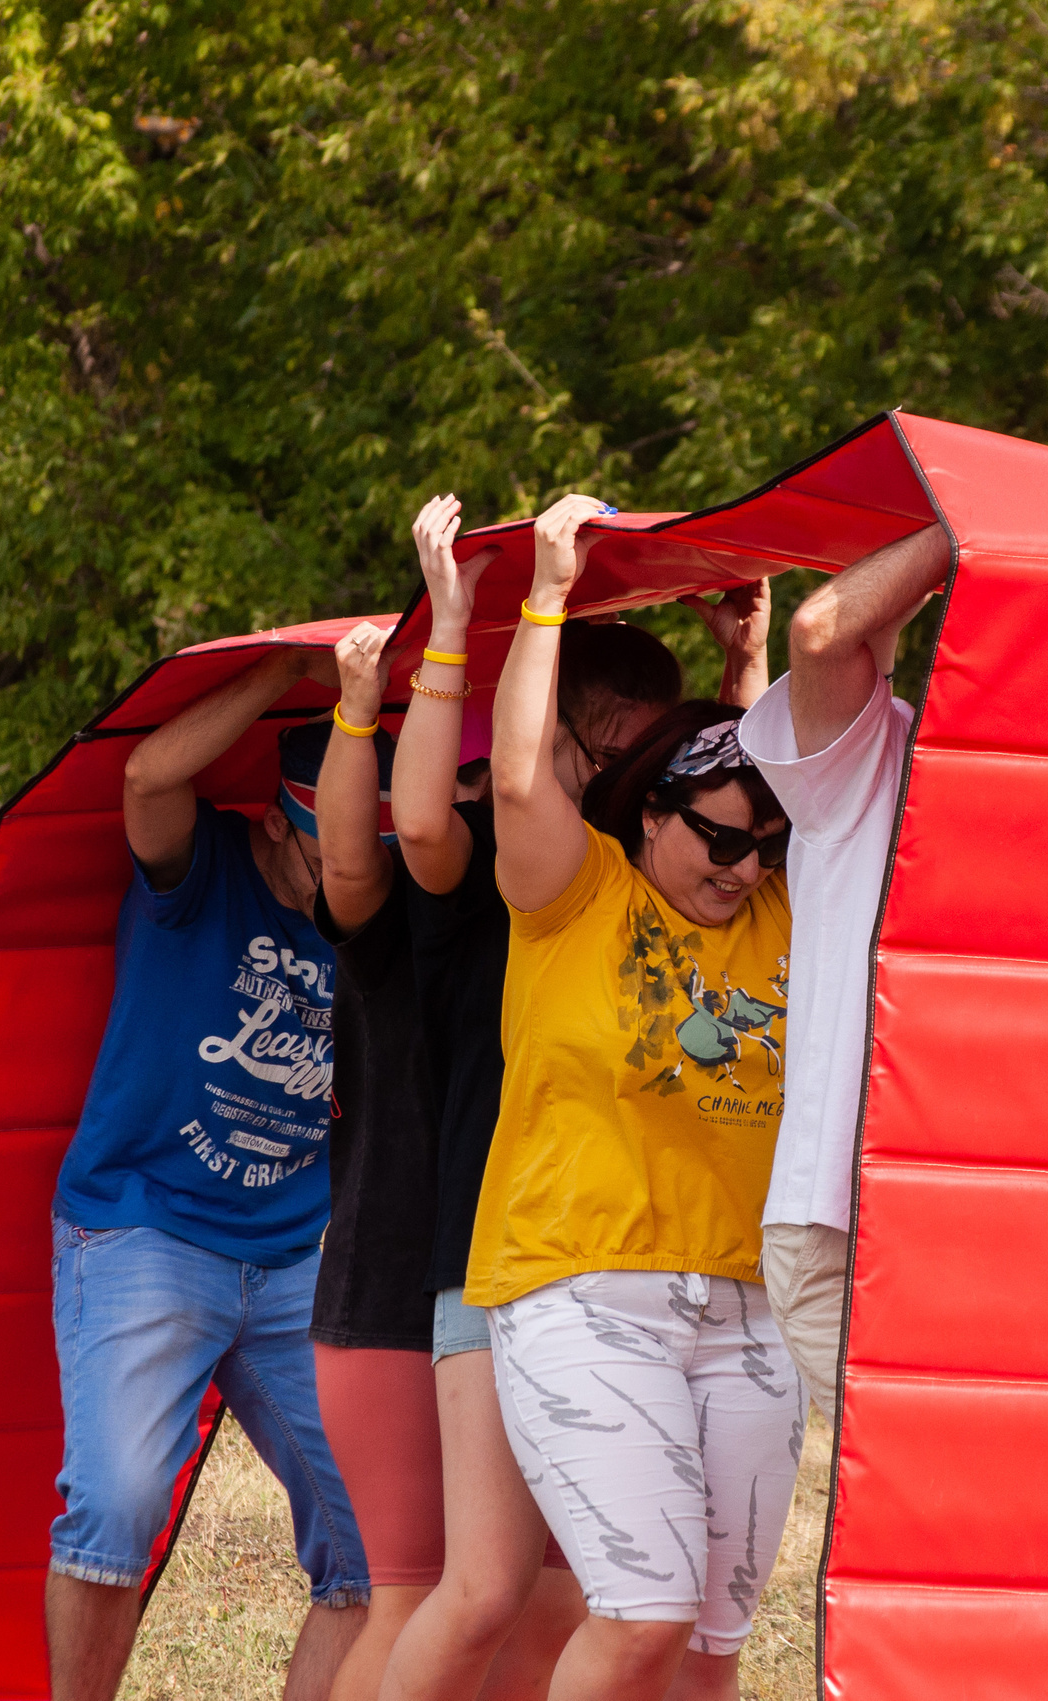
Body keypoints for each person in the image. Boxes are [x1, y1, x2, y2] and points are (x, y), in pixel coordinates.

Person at [383, 494, 769, 1701]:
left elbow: (747, 790)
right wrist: (515, 604)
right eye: (621, 753)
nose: (745, 864)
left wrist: (746, 659)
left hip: (728, 1289)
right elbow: (482, 796)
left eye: (760, 845)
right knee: (517, 1590)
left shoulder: (748, 885)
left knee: (684, 1627)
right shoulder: (556, 880)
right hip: (535, 1267)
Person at [46, 646, 370, 1701]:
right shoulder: (207, 871)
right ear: (280, 826)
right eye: (338, 852)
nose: (357, 877)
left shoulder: (377, 916)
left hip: (289, 1260)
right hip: (147, 1231)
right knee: (118, 1505)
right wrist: (288, 669)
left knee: (383, 1536)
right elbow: (146, 779)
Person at [735, 522, 953, 1421]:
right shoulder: (870, 758)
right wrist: (968, 525)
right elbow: (824, 629)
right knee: (919, 1483)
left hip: (957, 1201)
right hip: (839, 1217)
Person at [303, 623, 442, 1701]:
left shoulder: (581, 890)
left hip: (523, 1282)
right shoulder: (397, 903)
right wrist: (358, 706)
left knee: (523, 1597)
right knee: (409, 1591)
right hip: (390, 1285)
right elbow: (348, 859)